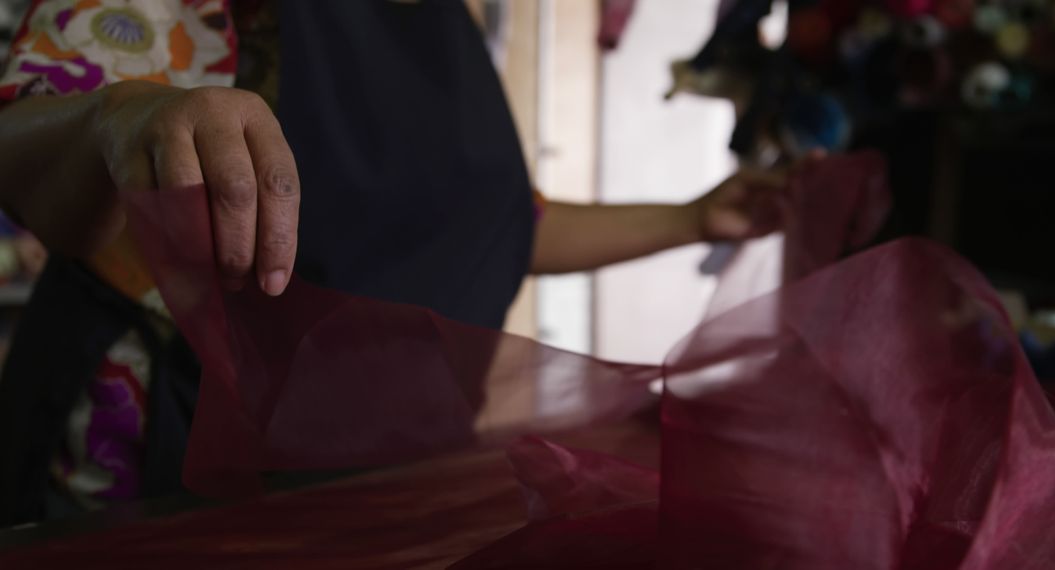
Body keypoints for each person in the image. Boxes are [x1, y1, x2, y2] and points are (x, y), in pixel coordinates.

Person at [0, 0, 790, 524]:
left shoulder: (448, 15)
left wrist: (692, 219)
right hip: (165, 447)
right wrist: (121, 115)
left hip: (371, 472)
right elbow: (22, 149)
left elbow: (488, 226)